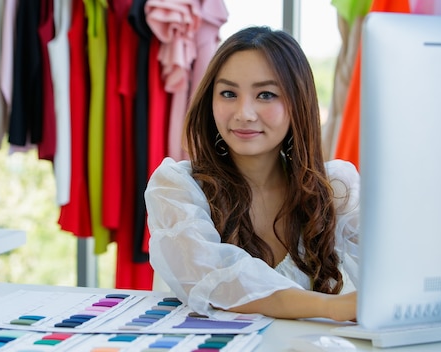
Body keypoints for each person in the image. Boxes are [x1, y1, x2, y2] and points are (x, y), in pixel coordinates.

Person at [144, 26, 360, 322]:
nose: (244, 113)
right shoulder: (177, 189)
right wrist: (334, 308)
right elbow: (221, 283)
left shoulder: (336, 189)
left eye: (266, 94)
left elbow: (390, 272)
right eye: (229, 93)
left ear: (298, 102)